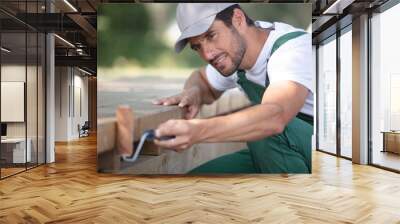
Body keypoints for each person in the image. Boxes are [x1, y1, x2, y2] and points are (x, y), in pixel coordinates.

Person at [152, 3, 313, 174]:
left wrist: (199, 130)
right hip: (286, 149)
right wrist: (194, 92)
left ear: (238, 19)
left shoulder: (292, 51)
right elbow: (200, 78)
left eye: (211, 35)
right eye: (197, 47)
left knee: (264, 125)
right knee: (198, 183)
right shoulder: (235, 55)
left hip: (325, 152)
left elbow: (275, 117)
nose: (207, 55)